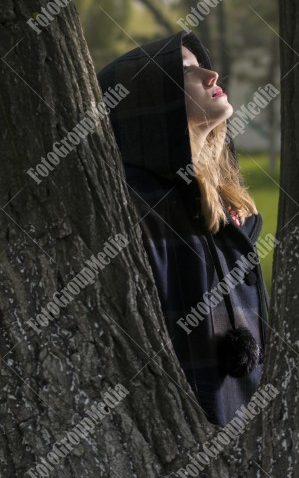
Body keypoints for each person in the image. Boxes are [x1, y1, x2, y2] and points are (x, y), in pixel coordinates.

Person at [97, 29, 270, 426]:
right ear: (151, 99)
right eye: (188, 69)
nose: (212, 74)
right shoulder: (133, 207)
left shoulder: (224, 206)